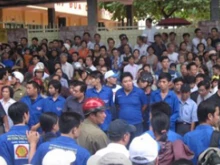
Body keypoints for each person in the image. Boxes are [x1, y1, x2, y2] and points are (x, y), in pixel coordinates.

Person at [115, 72, 147, 137]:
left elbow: (144, 105)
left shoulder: (139, 92)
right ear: (121, 83)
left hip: (137, 122)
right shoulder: (118, 92)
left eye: (130, 81)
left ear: (132, 81)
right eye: (125, 81)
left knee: (136, 143)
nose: (128, 83)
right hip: (123, 123)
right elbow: (117, 105)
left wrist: (137, 112)